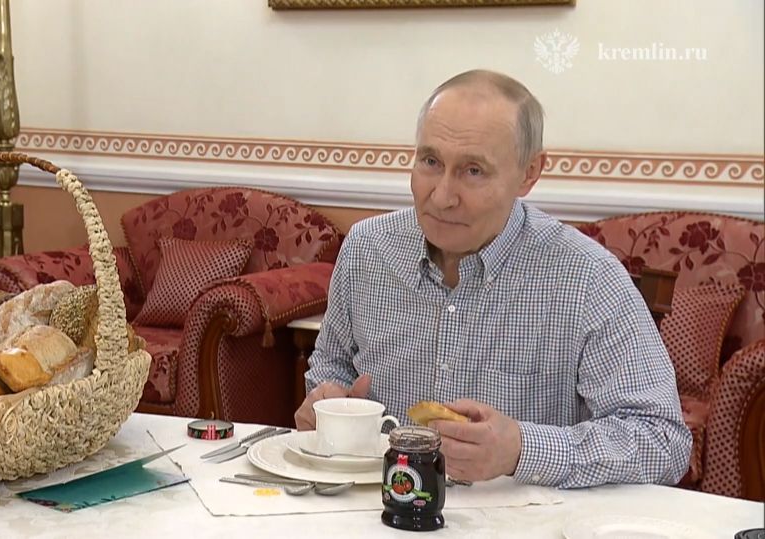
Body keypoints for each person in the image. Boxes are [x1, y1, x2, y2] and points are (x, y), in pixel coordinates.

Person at [295, 70, 690, 489]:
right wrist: (328, 399)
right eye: (430, 162)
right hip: (380, 504)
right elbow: (332, 364)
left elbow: (661, 440)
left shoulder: (588, 277)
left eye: (473, 171)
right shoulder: (367, 248)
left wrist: (521, 450)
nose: (442, 196)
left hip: (525, 516)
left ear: (529, 173)